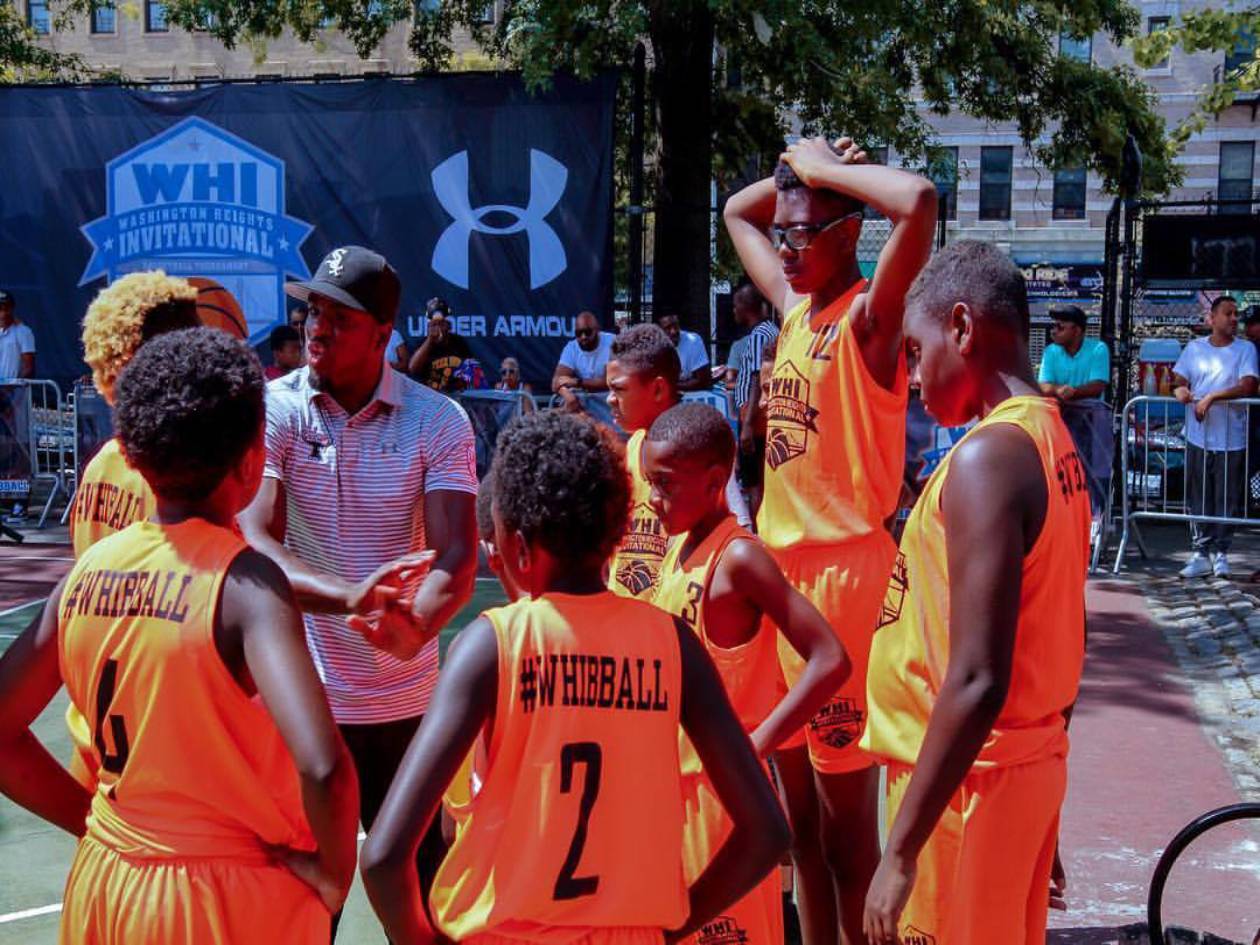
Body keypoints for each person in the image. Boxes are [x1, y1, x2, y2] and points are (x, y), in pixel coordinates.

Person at [359, 410, 790, 944]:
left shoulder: (493, 646)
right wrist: (670, 929)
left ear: (515, 546)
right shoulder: (673, 643)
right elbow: (767, 832)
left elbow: (381, 858)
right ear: (614, 533)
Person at [0, 328, 362, 944]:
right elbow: (325, 767)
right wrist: (333, 874)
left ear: (136, 456)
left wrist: (89, 821)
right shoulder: (245, 584)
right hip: (226, 895)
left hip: (107, 883)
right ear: (252, 460)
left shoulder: (86, 573)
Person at [725, 135, 937, 945]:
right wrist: (794, 171)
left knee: (851, 838)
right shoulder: (793, 306)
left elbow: (917, 200)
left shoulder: (868, 320)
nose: (783, 243)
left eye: (802, 230)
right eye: (783, 233)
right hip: (784, 576)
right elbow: (735, 211)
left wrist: (823, 169)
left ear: (850, 231)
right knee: (800, 830)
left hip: (846, 580)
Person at [237, 246, 479, 941]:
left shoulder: (437, 420)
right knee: (303, 908)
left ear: (383, 332)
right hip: (305, 706)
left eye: (339, 317)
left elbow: (457, 553)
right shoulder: (276, 407)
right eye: (313, 310)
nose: (317, 327)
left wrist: (417, 623)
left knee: (429, 906)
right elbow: (255, 539)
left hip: (410, 709)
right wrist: (354, 599)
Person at [861, 240, 1090, 945]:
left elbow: (977, 676)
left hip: (965, 792)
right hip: (1012, 772)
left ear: (961, 328)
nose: (914, 377)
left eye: (916, 350)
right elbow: (1058, 637)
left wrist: (899, 850)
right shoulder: (1051, 443)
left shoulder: (991, 455)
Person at [643, 402, 850, 945]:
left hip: (723, 803)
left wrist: (754, 745)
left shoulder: (739, 560)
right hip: (673, 792)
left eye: (664, 484)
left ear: (715, 480)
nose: (652, 498)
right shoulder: (678, 549)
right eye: (649, 482)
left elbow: (831, 658)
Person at [604, 324, 750, 601]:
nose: (610, 399)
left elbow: (738, 528)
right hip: (626, 622)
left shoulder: (696, 447)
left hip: (674, 622)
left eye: (618, 389)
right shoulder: (632, 446)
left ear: (658, 389)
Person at [1172, 294, 1259, 579]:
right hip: (1198, 436)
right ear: (1213, 318)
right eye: (1228, 313)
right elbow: (1179, 381)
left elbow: (1248, 385)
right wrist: (1182, 392)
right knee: (1199, 493)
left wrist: (1211, 398)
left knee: (1227, 496)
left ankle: (1222, 552)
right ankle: (1201, 552)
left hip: (1231, 437)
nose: (1234, 319)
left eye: (1236, 314)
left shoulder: (1245, 349)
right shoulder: (1195, 348)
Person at [732, 284, 779, 516]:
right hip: (755, 416)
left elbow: (756, 379)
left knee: (755, 483)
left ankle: (758, 535)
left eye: (735, 305)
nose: (733, 311)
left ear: (745, 307)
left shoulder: (760, 335)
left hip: (755, 418)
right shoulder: (768, 331)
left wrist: (748, 425)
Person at [1037, 304, 1109, 403]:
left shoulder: (1098, 349)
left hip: (1088, 410)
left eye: (1060, 327)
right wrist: (1058, 389)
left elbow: (1097, 387)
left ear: (1077, 331)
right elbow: (1044, 386)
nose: (1053, 331)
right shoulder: (1050, 351)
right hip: (1059, 408)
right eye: (1053, 327)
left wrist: (1072, 392)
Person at [409, 297, 472, 392]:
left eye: (441, 324)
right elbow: (412, 369)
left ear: (449, 325)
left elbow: (470, 370)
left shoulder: (458, 342)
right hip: (429, 395)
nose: (438, 328)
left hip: (453, 395)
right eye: (434, 325)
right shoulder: (423, 344)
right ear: (428, 327)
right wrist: (430, 340)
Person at [553, 310, 615, 400]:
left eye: (587, 332)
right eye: (579, 333)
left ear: (597, 330)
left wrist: (577, 382)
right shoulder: (571, 348)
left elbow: (609, 381)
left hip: (610, 399)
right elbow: (555, 382)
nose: (583, 337)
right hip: (585, 401)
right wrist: (566, 394)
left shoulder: (612, 342)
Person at [657, 313, 712, 391]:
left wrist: (671, 387)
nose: (673, 331)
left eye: (676, 326)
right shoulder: (652, 347)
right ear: (659, 330)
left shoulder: (693, 341)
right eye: (668, 328)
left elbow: (703, 381)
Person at [0, 290, 35, 380]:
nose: (3, 314)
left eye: (6, 309)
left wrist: (8, 389)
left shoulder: (24, 332)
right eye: (0, 309)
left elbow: (29, 368)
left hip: (14, 392)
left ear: (12, 309)